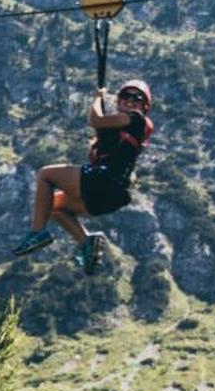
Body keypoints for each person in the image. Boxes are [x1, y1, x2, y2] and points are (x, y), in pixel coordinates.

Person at [10, 79, 155, 274]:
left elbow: (95, 120)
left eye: (136, 98)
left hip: (103, 180)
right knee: (52, 206)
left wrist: (98, 97)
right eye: (125, 96)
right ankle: (87, 242)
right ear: (119, 100)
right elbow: (104, 130)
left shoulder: (135, 119)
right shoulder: (125, 130)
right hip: (112, 195)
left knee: (46, 174)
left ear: (144, 106)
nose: (130, 101)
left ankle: (37, 232)